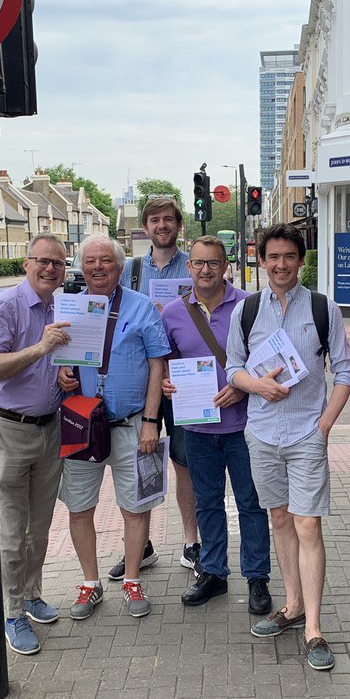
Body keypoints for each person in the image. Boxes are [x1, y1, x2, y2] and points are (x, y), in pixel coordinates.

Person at [225, 224, 350, 671]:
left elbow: (346, 370)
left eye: (289, 257)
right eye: (272, 257)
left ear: (301, 261)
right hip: (261, 433)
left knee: (308, 527)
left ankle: (315, 628)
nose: (280, 264)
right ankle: (292, 605)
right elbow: (233, 368)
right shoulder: (246, 313)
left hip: (305, 435)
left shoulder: (324, 308)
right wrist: (254, 384)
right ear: (261, 260)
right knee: (279, 519)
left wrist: (323, 426)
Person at [58, 235, 171, 619]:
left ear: (120, 267)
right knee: (79, 507)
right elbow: (55, 353)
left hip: (131, 424)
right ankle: (90, 583)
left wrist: (152, 422)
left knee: (136, 507)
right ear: (81, 266)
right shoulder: (68, 307)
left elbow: (158, 364)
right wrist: (62, 371)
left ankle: (133, 578)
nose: (98, 268)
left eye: (106, 260)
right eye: (90, 261)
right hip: (80, 422)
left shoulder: (142, 308)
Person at [160, 235, 272, 614]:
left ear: (227, 266)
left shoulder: (250, 306)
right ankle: (213, 573)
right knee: (206, 503)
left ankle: (257, 577)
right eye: (198, 263)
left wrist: (244, 390)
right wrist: (168, 385)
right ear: (188, 267)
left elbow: (270, 360)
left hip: (245, 425)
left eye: (213, 263)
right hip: (198, 429)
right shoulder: (173, 313)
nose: (205, 270)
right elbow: (169, 363)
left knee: (251, 504)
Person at [0, 235, 73, 655]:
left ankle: (33, 593)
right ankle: (12, 612)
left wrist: (64, 377)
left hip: (50, 427)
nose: (51, 269)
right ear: (26, 263)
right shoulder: (5, 305)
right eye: (43, 261)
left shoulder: (61, 306)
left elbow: (58, 365)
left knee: (40, 527)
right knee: (12, 530)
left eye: (58, 263)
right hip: (12, 430)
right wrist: (41, 347)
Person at [114, 196, 201, 577]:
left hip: (183, 380)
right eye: (154, 219)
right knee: (140, 463)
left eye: (168, 219)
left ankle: (190, 542)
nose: (162, 225)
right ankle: (141, 546)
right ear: (145, 227)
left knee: (184, 465)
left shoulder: (194, 266)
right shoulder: (130, 270)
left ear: (178, 225)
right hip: (141, 380)